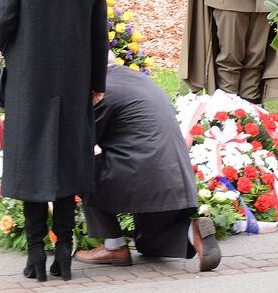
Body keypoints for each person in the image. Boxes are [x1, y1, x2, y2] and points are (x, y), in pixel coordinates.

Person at [0, 0, 109, 282]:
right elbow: (98, 33)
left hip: (29, 80)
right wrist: (96, 82)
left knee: (33, 166)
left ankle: (36, 256)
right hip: (74, 80)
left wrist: (15, 50)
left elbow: (1, 20)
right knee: (65, 165)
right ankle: (64, 255)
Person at [76, 56, 221, 272]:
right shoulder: (137, 80)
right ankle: (193, 232)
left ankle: (114, 245)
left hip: (143, 175)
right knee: (149, 243)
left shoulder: (104, 90)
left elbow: (81, 141)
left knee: (82, 168)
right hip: (176, 178)